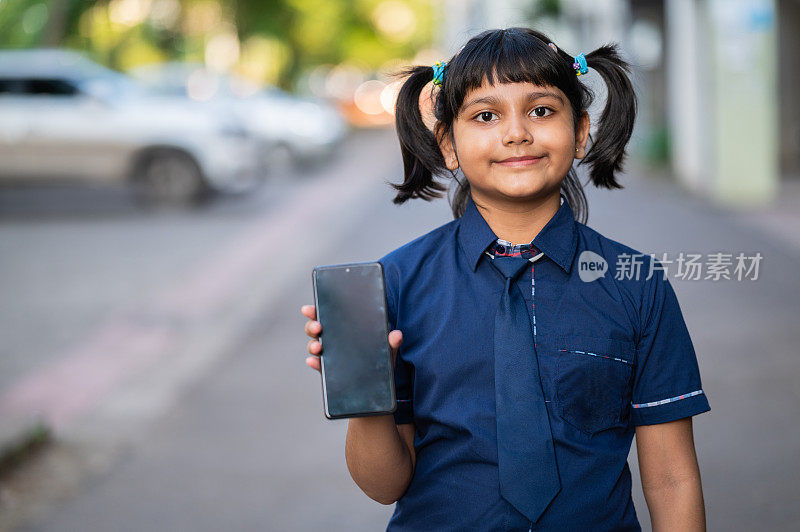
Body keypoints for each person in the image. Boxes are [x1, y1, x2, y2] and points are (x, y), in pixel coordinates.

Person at [301, 27, 710, 531]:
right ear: (448, 143)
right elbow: (384, 486)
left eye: (541, 110)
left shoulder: (637, 285)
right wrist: (368, 392)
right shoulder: (393, 285)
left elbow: (671, 478)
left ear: (581, 131)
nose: (516, 132)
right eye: (486, 116)